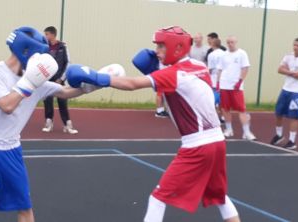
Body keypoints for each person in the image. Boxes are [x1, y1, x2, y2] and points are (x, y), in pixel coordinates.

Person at [0, 26, 123, 222]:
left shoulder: (37, 81)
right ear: (25, 50)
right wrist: (30, 82)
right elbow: (7, 105)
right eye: (39, 53)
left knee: (25, 208)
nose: (41, 58)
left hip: (11, 151)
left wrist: (93, 85)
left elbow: (65, 92)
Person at [67, 26, 240, 222]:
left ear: (177, 48)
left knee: (158, 198)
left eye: (161, 46)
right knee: (219, 197)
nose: (156, 51)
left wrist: (96, 76)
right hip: (217, 142)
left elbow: (132, 84)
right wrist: (157, 67)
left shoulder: (173, 75)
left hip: (197, 145)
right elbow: (179, 89)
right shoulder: (199, 66)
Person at [270, 38, 298, 149]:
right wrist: (292, 72)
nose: (295, 47)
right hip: (285, 89)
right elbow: (279, 69)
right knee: (278, 112)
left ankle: (292, 141)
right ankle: (279, 135)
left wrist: (287, 71)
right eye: (294, 45)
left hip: (297, 92)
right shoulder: (288, 56)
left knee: (294, 116)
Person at [217, 36, 256, 140]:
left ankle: (247, 132)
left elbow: (245, 68)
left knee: (241, 109)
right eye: (228, 42)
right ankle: (229, 130)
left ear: (236, 42)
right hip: (224, 85)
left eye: (232, 42)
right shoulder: (223, 55)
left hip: (236, 87)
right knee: (225, 109)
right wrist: (218, 83)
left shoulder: (242, 53)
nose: (230, 44)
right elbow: (220, 69)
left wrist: (239, 81)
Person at [41, 26, 78, 134]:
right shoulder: (44, 47)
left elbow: (68, 63)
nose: (45, 36)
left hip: (59, 80)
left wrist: (61, 78)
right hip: (47, 80)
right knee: (48, 102)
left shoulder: (63, 46)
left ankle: (67, 125)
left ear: (53, 34)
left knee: (62, 102)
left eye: (47, 34)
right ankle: (48, 123)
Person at [208, 38, 226, 121]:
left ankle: (214, 117)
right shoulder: (225, 54)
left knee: (213, 99)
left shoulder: (211, 55)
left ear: (212, 44)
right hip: (224, 78)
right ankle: (222, 116)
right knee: (222, 99)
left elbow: (210, 69)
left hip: (214, 78)